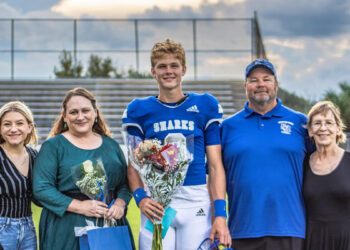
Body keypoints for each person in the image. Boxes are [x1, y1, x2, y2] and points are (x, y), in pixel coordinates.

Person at [122, 39, 231, 249]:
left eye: (174, 66)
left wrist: (220, 214)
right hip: (157, 204)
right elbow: (133, 164)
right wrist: (141, 198)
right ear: (153, 71)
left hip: (196, 201)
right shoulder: (139, 110)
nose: (168, 71)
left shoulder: (205, 105)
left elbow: (216, 165)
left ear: (184, 70)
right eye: (162, 66)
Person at [221, 58, 312, 250]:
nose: (260, 84)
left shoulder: (300, 123)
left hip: (290, 229)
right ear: (246, 86)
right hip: (241, 230)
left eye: (266, 79)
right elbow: (214, 176)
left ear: (276, 85)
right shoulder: (227, 127)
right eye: (253, 80)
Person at [33, 87, 134, 250]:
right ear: (64, 116)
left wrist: (120, 204)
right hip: (65, 226)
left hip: (109, 224)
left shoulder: (112, 145)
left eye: (85, 110)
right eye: (73, 112)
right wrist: (80, 206)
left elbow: (124, 184)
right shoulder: (53, 146)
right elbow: (41, 188)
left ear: (95, 113)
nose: (80, 117)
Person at [303, 101, 349, 250]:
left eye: (329, 122)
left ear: (338, 128)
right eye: (317, 123)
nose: (323, 128)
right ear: (310, 130)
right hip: (311, 241)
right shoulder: (302, 164)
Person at [0, 101, 39, 250]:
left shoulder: (35, 156)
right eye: (7, 124)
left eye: (19, 123)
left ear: (29, 127)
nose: (13, 129)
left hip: (28, 228)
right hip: (3, 228)